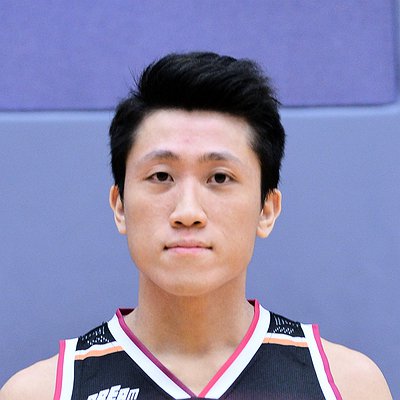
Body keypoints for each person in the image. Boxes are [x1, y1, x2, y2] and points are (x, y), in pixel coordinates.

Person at [0, 52, 392, 400]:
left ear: (266, 210)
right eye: (161, 176)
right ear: (120, 206)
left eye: (220, 177)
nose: (188, 211)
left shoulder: (346, 386)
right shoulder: (44, 391)